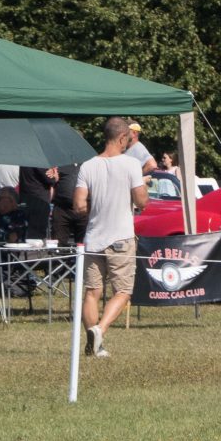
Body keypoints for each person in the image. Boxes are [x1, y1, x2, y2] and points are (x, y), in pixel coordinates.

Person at [70, 117, 147, 358]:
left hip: (94, 238)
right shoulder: (131, 164)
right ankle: (100, 331)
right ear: (123, 138)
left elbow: (79, 205)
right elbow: (141, 201)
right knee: (123, 291)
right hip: (121, 238)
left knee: (92, 292)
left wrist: (98, 202)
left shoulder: (88, 165)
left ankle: (95, 344)